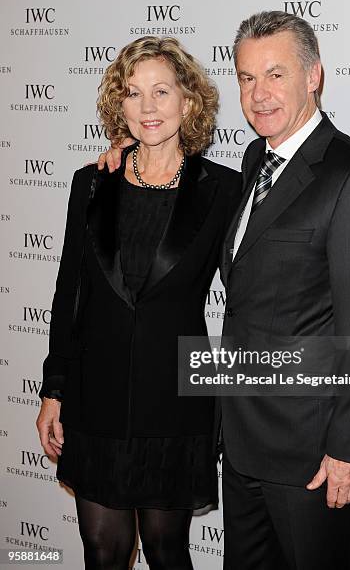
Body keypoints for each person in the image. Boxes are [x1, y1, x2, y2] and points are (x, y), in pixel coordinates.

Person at [98, 12, 350, 570]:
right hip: (241, 448)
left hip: (314, 458)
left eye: (275, 75)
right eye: (245, 77)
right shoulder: (253, 162)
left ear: (314, 77)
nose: (258, 94)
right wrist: (123, 161)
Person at [36, 36, 240, 570]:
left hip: (174, 401)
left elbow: (248, 297)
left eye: (161, 91)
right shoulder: (91, 184)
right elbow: (68, 294)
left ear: (188, 101)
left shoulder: (224, 191)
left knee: (166, 549)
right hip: (94, 398)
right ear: (117, 104)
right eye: (132, 93)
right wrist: (54, 391)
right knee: (102, 549)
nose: (147, 108)